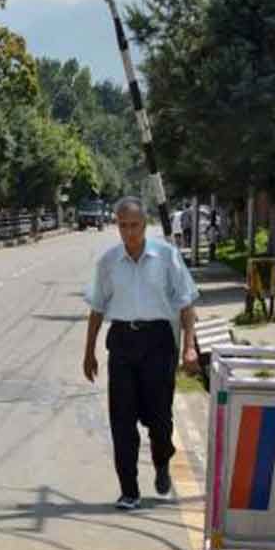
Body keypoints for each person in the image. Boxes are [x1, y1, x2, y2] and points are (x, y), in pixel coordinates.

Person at [83, 197, 200, 510]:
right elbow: (97, 307)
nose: (129, 232)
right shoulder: (108, 261)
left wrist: (189, 346)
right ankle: (129, 490)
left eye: (134, 225)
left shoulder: (166, 256)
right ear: (117, 225)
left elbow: (187, 304)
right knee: (121, 420)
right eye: (123, 225)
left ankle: (162, 460)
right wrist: (89, 351)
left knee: (159, 419)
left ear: (144, 225)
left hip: (159, 342)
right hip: (121, 341)